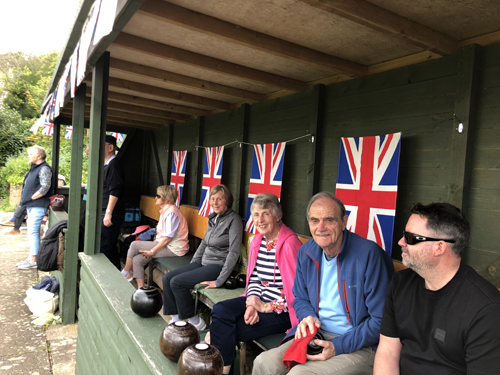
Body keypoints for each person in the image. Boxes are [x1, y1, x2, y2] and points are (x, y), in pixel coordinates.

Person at [253, 192, 394, 375]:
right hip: (316, 335)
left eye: (329, 220)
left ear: (344, 222)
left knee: (300, 374)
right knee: (263, 363)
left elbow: (381, 321)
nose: (321, 227)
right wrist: (308, 316)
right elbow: (300, 297)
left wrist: (337, 345)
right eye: (314, 220)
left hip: (360, 344)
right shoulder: (306, 252)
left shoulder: (369, 255)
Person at [374, 202, 500, 375]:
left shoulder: (486, 309)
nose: (401, 242)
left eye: (410, 237)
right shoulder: (401, 283)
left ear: (439, 247)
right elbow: (388, 350)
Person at [206, 193, 302, 374]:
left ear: (278, 216)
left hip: (281, 311)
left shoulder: (290, 244)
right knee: (220, 310)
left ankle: (223, 370)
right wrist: (252, 302)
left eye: (266, 213)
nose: (260, 220)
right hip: (258, 299)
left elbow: (297, 291)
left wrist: (265, 307)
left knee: (225, 330)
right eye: (256, 215)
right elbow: (255, 278)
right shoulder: (257, 241)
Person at [162, 184, 243, 330]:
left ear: (227, 201)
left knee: (177, 282)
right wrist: (192, 265)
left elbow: (234, 252)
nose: (215, 203)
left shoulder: (233, 220)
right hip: (203, 262)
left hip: (217, 266)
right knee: (167, 278)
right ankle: (175, 319)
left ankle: (195, 322)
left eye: (219, 199)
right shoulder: (213, 218)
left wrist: (219, 281)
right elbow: (204, 243)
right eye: (212, 199)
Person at [120, 185, 189, 288]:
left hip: (174, 249)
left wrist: (152, 251)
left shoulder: (172, 213)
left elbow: (167, 239)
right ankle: (141, 290)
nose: (155, 198)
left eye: (158, 196)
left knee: (134, 244)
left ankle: (125, 272)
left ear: (166, 198)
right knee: (137, 260)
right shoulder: (165, 211)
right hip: (164, 245)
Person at [16, 145, 53, 270]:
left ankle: (34, 260)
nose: (28, 156)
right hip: (32, 206)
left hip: (38, 205)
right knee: (31, 232)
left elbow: (45, 188)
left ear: (39, 156)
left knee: (33, 232)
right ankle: (31, 257)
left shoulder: (44, 168)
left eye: (30, 154)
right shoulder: (34, 169)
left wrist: (31, 198)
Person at [101, 134, 126, 269]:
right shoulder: (106, 164)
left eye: (101, 145)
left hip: (111, 213)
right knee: (105, 246)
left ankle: (114, 276)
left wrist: (108, 212)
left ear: (110, 148)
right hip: (105, 211)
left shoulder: (114, 165)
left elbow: (115, 190)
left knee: (106, 246)